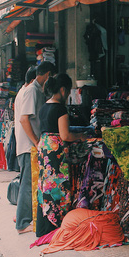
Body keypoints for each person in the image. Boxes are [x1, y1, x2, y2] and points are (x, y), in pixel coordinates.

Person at [36, 73, 87, 236]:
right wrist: (80, 137)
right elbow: (65, 135)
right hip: (55, 152)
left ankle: (45, 225)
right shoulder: (60, 108)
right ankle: (57, 225)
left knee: (45, 185)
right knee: (57, 184)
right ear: (63, 90)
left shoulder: (44, 107)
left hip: (44, 147)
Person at [14, 62, 53, 234]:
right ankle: (22, 223)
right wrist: (36, 142)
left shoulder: (29, 90)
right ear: (48, 75)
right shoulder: (31, 90)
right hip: (28, 145)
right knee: (28, 184)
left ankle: (24, 219)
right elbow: (24, 119)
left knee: (28, 183)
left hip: (27, 144)